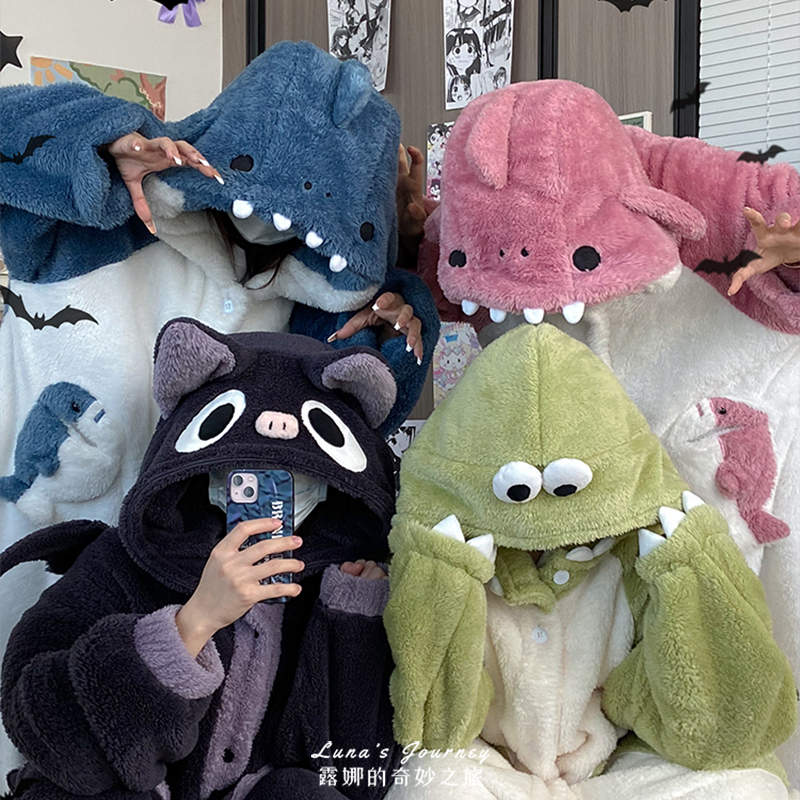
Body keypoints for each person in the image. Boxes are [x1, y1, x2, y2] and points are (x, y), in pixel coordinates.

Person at [0, 40, 439, 792]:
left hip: (201, 556)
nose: (264, 240)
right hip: (52, 544)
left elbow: (359, 393)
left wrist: (406, 302)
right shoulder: (92, 228)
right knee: (48, 732)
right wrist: (97, 144)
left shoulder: (302, 296)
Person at [1, 320, 403, 800]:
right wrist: (191, 624)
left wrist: (353, 622)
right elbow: (41, 724)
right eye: (246, 472)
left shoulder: (338, 583)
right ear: (205, 468)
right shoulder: (126, 560)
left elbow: (358, 775)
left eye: (294, 474)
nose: (272, 491)